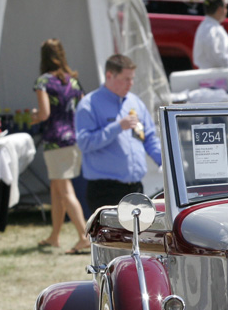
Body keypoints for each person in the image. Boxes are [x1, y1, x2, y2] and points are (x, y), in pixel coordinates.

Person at [75, 54, 162, 214]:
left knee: (137, 238)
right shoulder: (89, 104)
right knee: (111, 239)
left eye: (132, 78)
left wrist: (163, 162)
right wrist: (117, 127)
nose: (131, 84)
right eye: (126, 79)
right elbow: (84, 143)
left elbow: (148, 137)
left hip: (135, 188)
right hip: (105, 190)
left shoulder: (135, 102)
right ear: (109, 76)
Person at [31, 39, 88, 254]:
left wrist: (34, 117)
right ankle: (54, 236)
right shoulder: (73, 81)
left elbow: (44, 113)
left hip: (55, 141)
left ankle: (83, 236)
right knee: (57, 189)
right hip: (74, 139)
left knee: (64, 190)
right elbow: (83, 109)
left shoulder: (43, 82)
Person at [193, 0, 228, 70]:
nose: (226, 11)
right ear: (219, 9)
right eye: (225, 7)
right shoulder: (214, 31)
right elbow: (218, 60)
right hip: (217, 78)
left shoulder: (203, 27)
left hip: (208, 75)